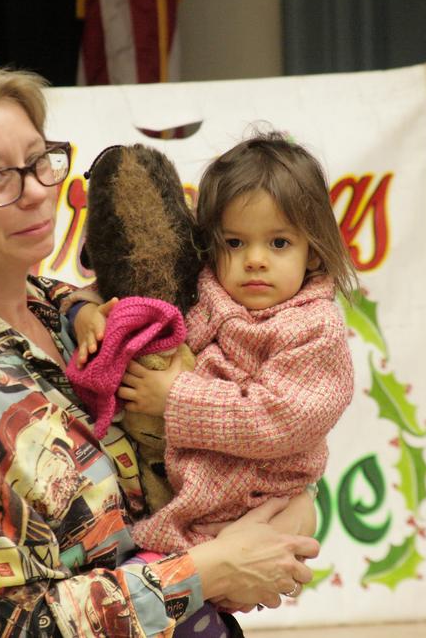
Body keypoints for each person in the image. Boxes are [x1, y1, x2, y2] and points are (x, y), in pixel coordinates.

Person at [0, 54, 318, 638]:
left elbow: (245, 419)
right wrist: (209, 569)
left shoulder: (70, 311)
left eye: (39, 162)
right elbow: (16, 624)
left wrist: (292, 505)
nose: (34, 193)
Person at [115, 133, 356, 553]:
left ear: (312, 253)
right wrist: (85, 312)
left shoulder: (314, 328)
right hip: (184, 494)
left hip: (258, 501)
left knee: (176, 589)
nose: (255, 259)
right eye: (235, 243)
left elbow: (281, 418)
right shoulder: (202, 294)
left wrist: (176, 397)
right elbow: (123, 296)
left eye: (279, 243)